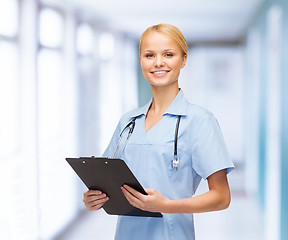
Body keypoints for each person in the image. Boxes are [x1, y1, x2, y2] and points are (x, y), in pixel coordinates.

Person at [82, 23, 234, 240]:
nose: (158, 62)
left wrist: (167, 205)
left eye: (168, 54)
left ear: (183, 59)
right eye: (149, 55)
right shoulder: (128, 122)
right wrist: (93, 198)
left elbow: (222, 197)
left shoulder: (200, 121)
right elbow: (107, 179)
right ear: (141, 60)